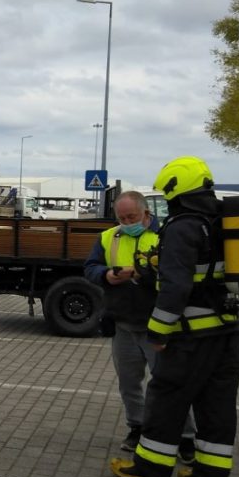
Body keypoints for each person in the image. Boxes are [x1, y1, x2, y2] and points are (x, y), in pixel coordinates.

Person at [109, 156, 239, 477]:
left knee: (166, 398)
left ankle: (149, 469)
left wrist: (158, 332)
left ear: (175, 190)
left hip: (191, 336)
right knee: (216, 404)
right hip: (227, 332)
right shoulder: (221, 222)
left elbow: (176, 288)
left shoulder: (183, 226)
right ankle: (209, 475)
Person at [84, 191, 196, 460]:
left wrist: (142, 274)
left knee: (169, 384)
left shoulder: (165, 236)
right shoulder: (108, 237)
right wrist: (107, 275)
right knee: (129, 383)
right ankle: (137, 427)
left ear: (146, 213)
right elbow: (90, 267)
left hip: (157, 325)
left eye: (131, 216)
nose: (126, 221)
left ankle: (186, 437)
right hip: (123, 323)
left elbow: (178, 276)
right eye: (121, 217)